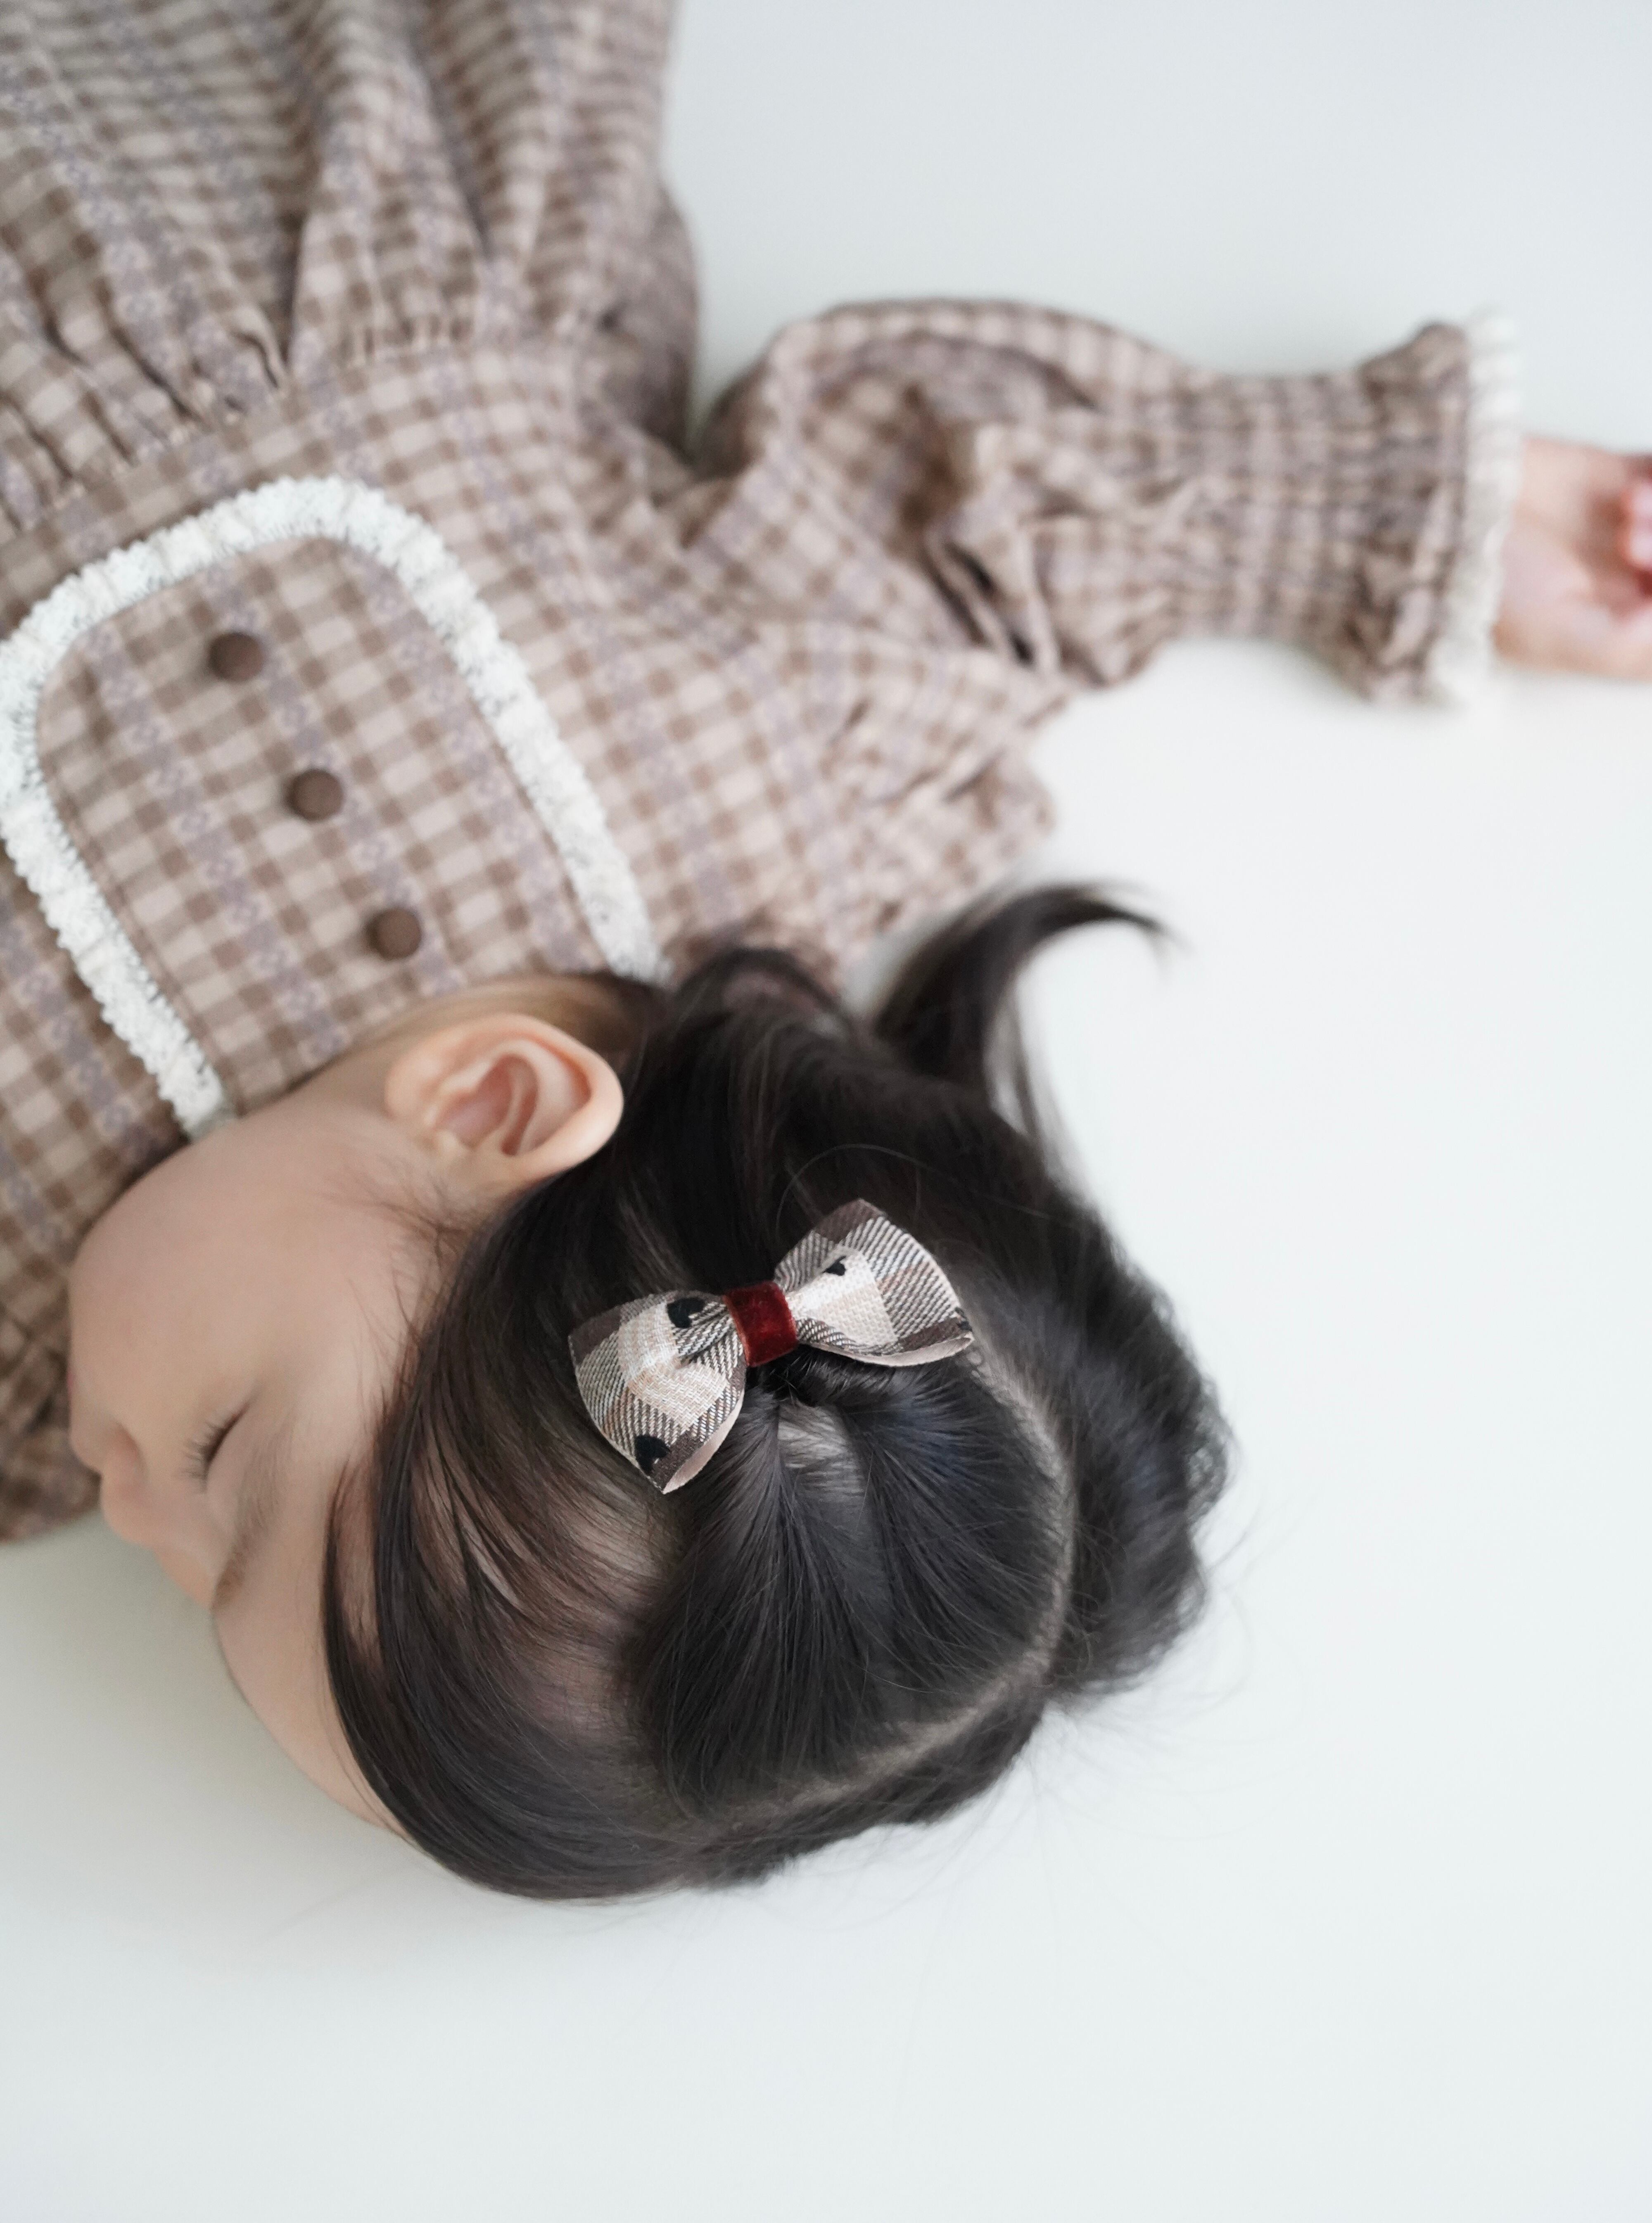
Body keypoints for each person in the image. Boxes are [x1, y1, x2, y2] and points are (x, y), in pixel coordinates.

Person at [2, 1, 1647, 1898]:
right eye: (226, 1457)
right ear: (493, 1105)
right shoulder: (766, 765)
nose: (132, 1504)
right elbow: (970, 516)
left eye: (196, 1593)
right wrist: (1401, 507)